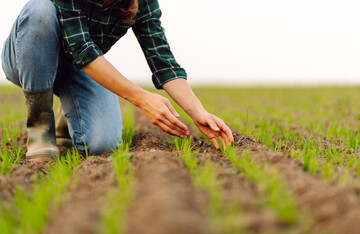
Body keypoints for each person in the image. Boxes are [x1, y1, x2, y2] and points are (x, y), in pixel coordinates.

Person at [1, 0, 234, 163]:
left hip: (79, 67)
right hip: (28, 57)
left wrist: (198, 112)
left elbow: (163, 61)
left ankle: (68, 113)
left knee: (104, 143)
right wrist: (141, 99)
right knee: (40, 9)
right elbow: (81, 47)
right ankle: (40, 131)